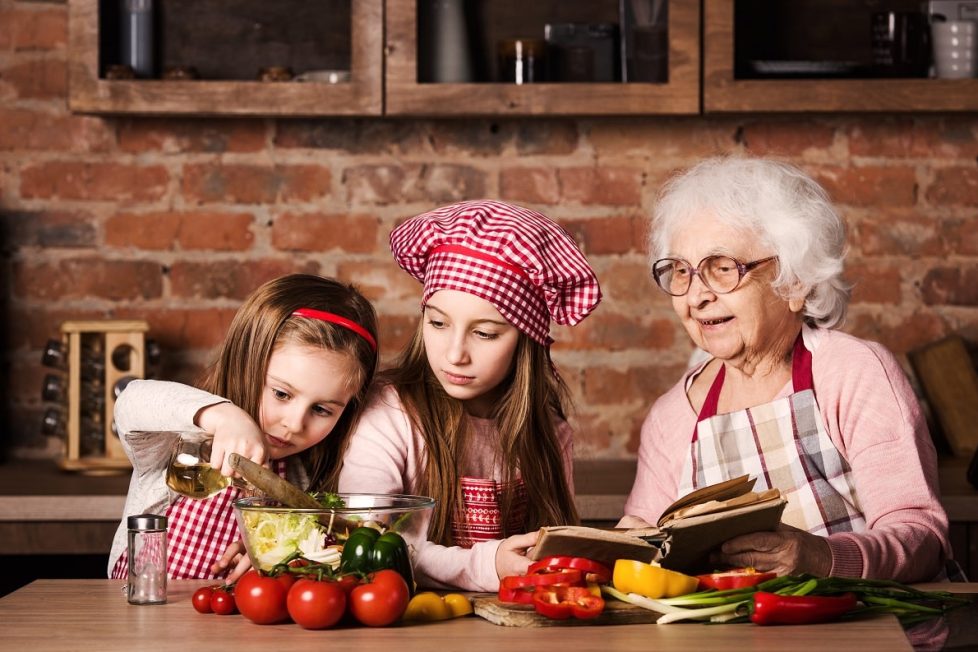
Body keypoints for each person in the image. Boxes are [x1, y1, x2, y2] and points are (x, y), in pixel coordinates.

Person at [620, 156, 952, 584]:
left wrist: (821, 558)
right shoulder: (672, 418)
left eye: (722, 268)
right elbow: (644, 544)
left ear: (795, 282)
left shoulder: (852, 374)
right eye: (681, 271)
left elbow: (922, 537)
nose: (696, 296)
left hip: (868, 632)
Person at [338, 199, 602, 592]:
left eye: (485, 333)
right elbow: (365, 540)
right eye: (439, 322)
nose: (455, 353)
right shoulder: (389, 413)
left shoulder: (549, 430)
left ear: (526, 341)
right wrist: (487, 564)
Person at [107, 274, 379, 580]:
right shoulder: (180, 438)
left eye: (321, 409)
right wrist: (225, 417)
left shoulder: (305, 477)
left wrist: (280, 553)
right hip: (143, 609)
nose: (294, 423)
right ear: (244, 363)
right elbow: (131, 400)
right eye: (280, 393)